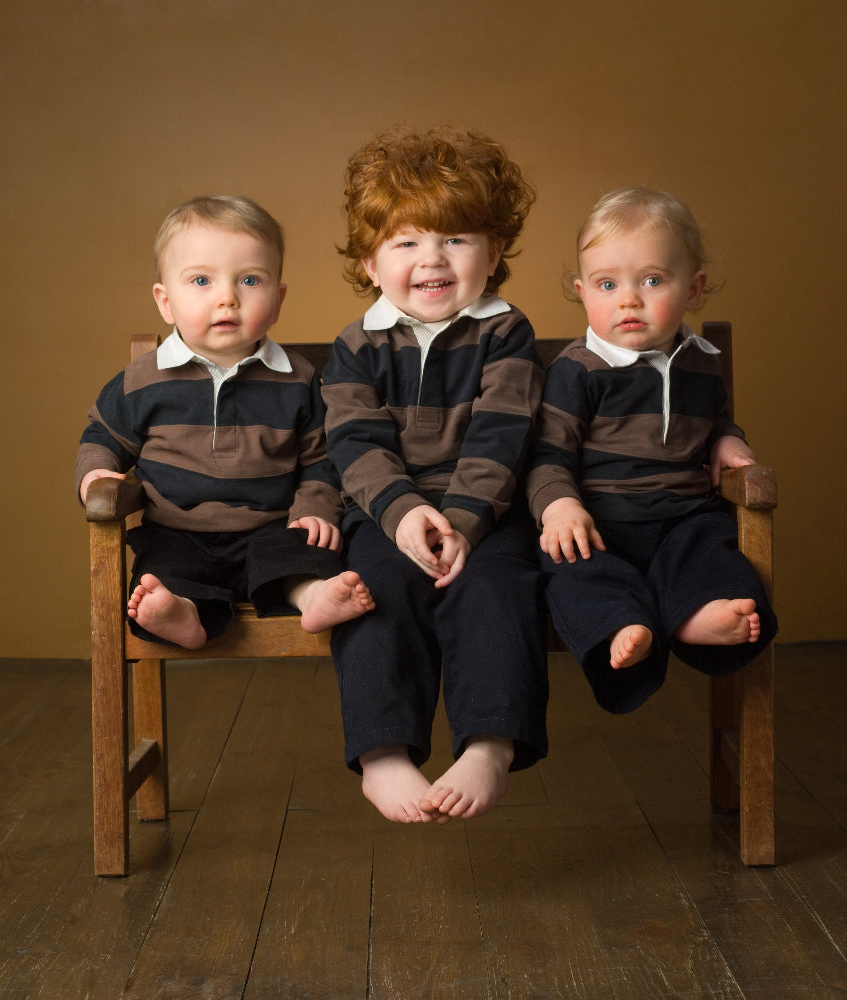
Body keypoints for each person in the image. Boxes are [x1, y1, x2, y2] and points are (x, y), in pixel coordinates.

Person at [321, 126, 548, 824]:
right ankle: (383, 752)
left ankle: (490, 742)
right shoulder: (356, 346)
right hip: (387, 514)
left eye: (455, 239)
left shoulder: (506, 333)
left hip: (487, 513)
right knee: (371, 592)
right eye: (407, 242)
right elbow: (354, 442)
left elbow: (502, 434)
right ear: (369, 260)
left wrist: (466, 520)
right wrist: (401, 514)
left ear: (495, 251)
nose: (432, 259)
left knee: (498, 589)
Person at [75, 195, 374, 649]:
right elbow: (102, 434)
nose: (227, 298)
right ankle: (182, 611)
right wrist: (96, 473)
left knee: (300, 552)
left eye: (250, 280)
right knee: (162, 571)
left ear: (277, 300)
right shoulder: (142, 380)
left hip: (270, 525)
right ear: (166, 301)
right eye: (200, 280)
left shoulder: (297, 379)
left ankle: (312, 595)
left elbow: (323, 458)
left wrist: (314, 507)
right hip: (177, 529)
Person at [526, 187, 777, 714]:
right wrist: (560, 505)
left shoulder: (700, 361)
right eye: (607, 284)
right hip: (601, 522)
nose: (629, 299)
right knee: (573, 571)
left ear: (694, 289)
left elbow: (717, 421)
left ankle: (696, 617)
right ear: (581, 290)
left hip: (683, 516)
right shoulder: (578, 370)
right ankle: (623, 624)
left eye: (653, 280)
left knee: (716, 555)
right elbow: (548, 452)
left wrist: (729, 439)